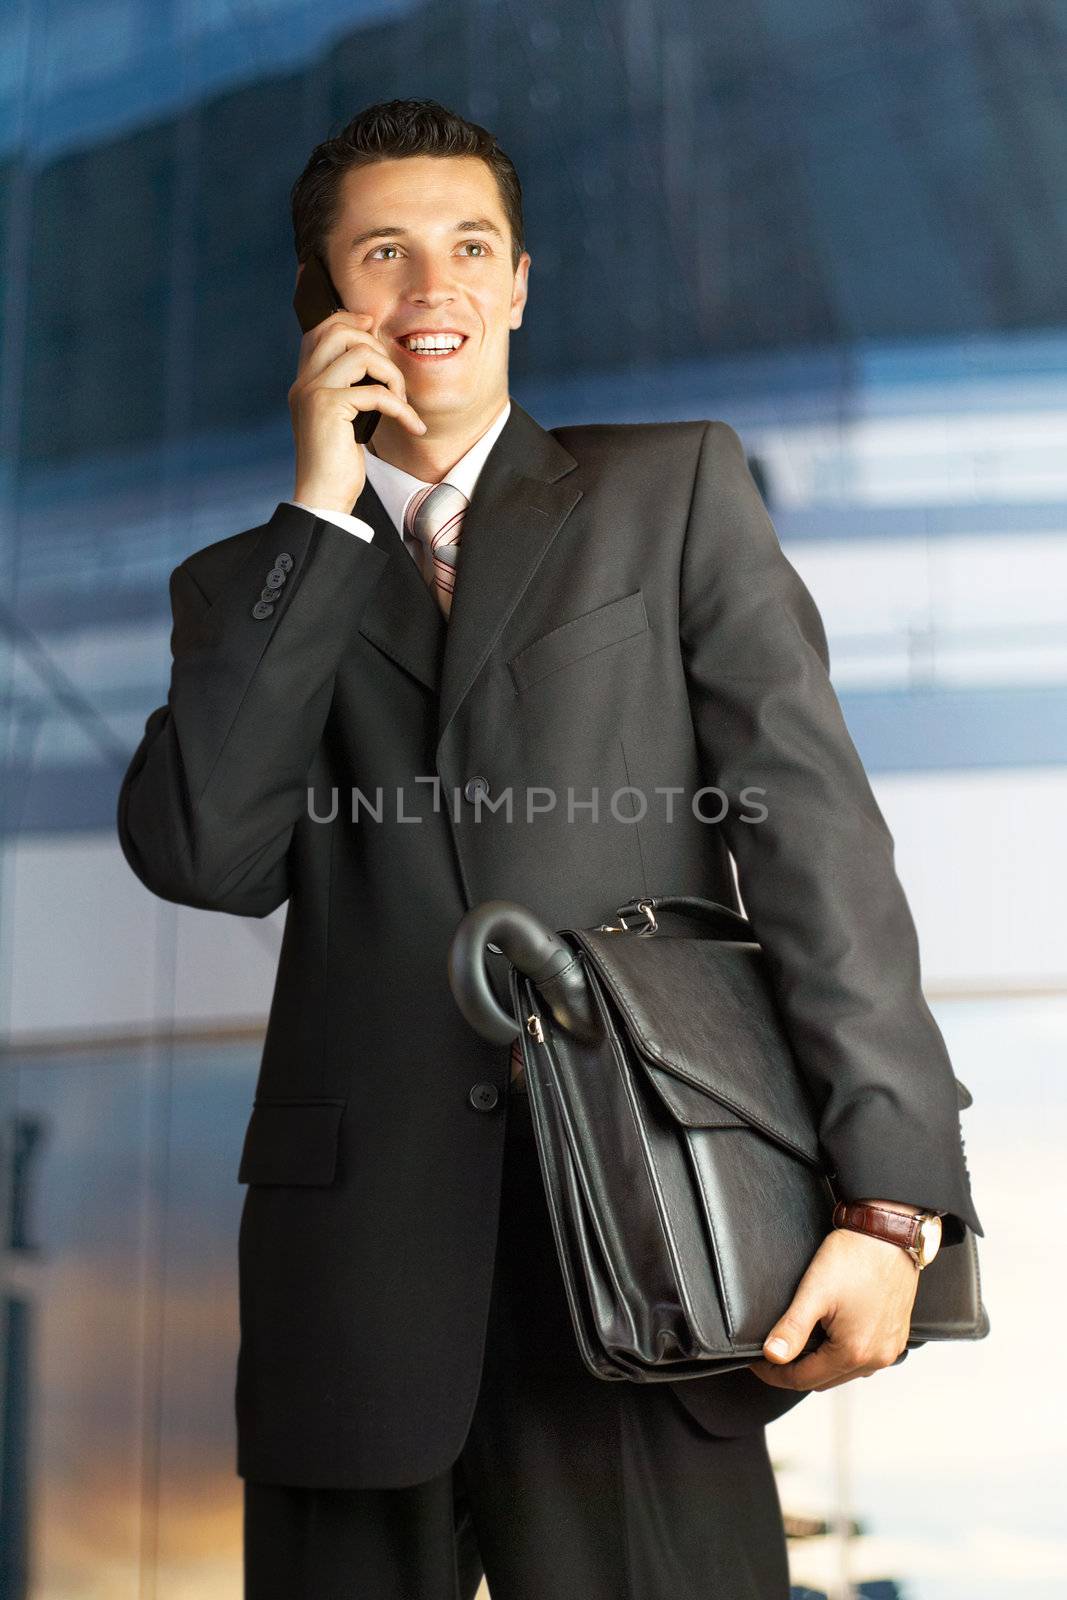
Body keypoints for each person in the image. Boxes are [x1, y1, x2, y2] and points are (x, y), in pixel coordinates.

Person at [117, 98, 983, 1599]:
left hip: (661, 1233)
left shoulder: (676, 496)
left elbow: (817, 855)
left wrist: (892, 1205)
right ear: (328, 304)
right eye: (382, 253)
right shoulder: (244, 587)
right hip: (359, 1277)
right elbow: (208, 856)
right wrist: (320, 518)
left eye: (469, 247)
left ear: (520, 283)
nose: (430, 288)